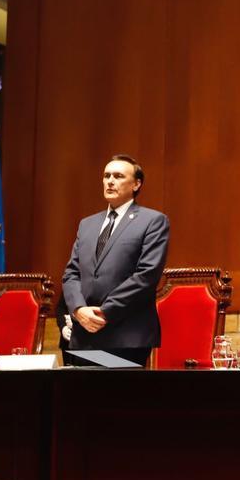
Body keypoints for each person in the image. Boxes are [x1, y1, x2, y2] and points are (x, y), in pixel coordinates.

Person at [62, 154, 169, 366]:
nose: (110, 181)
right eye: (106, 175)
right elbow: (71, 273)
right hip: (85, 334)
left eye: (118, 176)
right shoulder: (87, 224)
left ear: (136, 184)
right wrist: (78, 309)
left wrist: (104, 311)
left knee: (119, 398)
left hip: (126, 336)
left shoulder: (153, 221)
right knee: (80, 398)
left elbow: (146, 275)